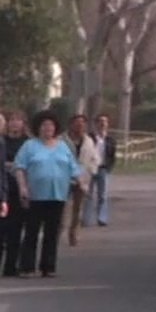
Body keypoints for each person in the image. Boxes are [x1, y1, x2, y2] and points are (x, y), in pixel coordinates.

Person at [14, 110, 81, 278]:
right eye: (44, 125)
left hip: (57, 195)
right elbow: (19, 167)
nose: (47, 128)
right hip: (35, 195)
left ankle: (48, 266)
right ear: (38, 128)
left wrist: (79, 182)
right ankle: (27, 267)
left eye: (50, 125)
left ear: (55, 128)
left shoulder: (62, 146)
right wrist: (23, 187)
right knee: (32, 232)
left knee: (52, 233)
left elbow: (74, 169)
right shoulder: (29, 146)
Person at [61, 115, 100, 247]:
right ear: (71, 125)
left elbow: (95, 159)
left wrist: (91, 172)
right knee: (63, 208)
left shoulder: (89, 141)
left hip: (82, 179)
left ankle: (74, 234)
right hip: (64, 179)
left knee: (78, 209)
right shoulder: (62, 140)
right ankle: (58, 231)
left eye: (82, 124)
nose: (80, 126)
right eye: (77, 123)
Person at [1, 111, 28, 276]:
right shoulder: (2, 141)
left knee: (15, 231)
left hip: (18, 191)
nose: (14, 123)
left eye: (18, 120)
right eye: (11, 120)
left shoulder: (28, 144)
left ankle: (10, 266)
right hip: (3, 190)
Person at [83, 114, 116, 227]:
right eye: (100, 121)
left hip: (103, 168)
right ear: (96, 124)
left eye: (105, 121)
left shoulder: (110, 139)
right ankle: (86, 219)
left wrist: (109, 167)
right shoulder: (89, 138)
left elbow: (112, 155)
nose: (102, 124)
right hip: (91, 169)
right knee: (88, 194)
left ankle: (102, 218)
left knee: (103, 195)